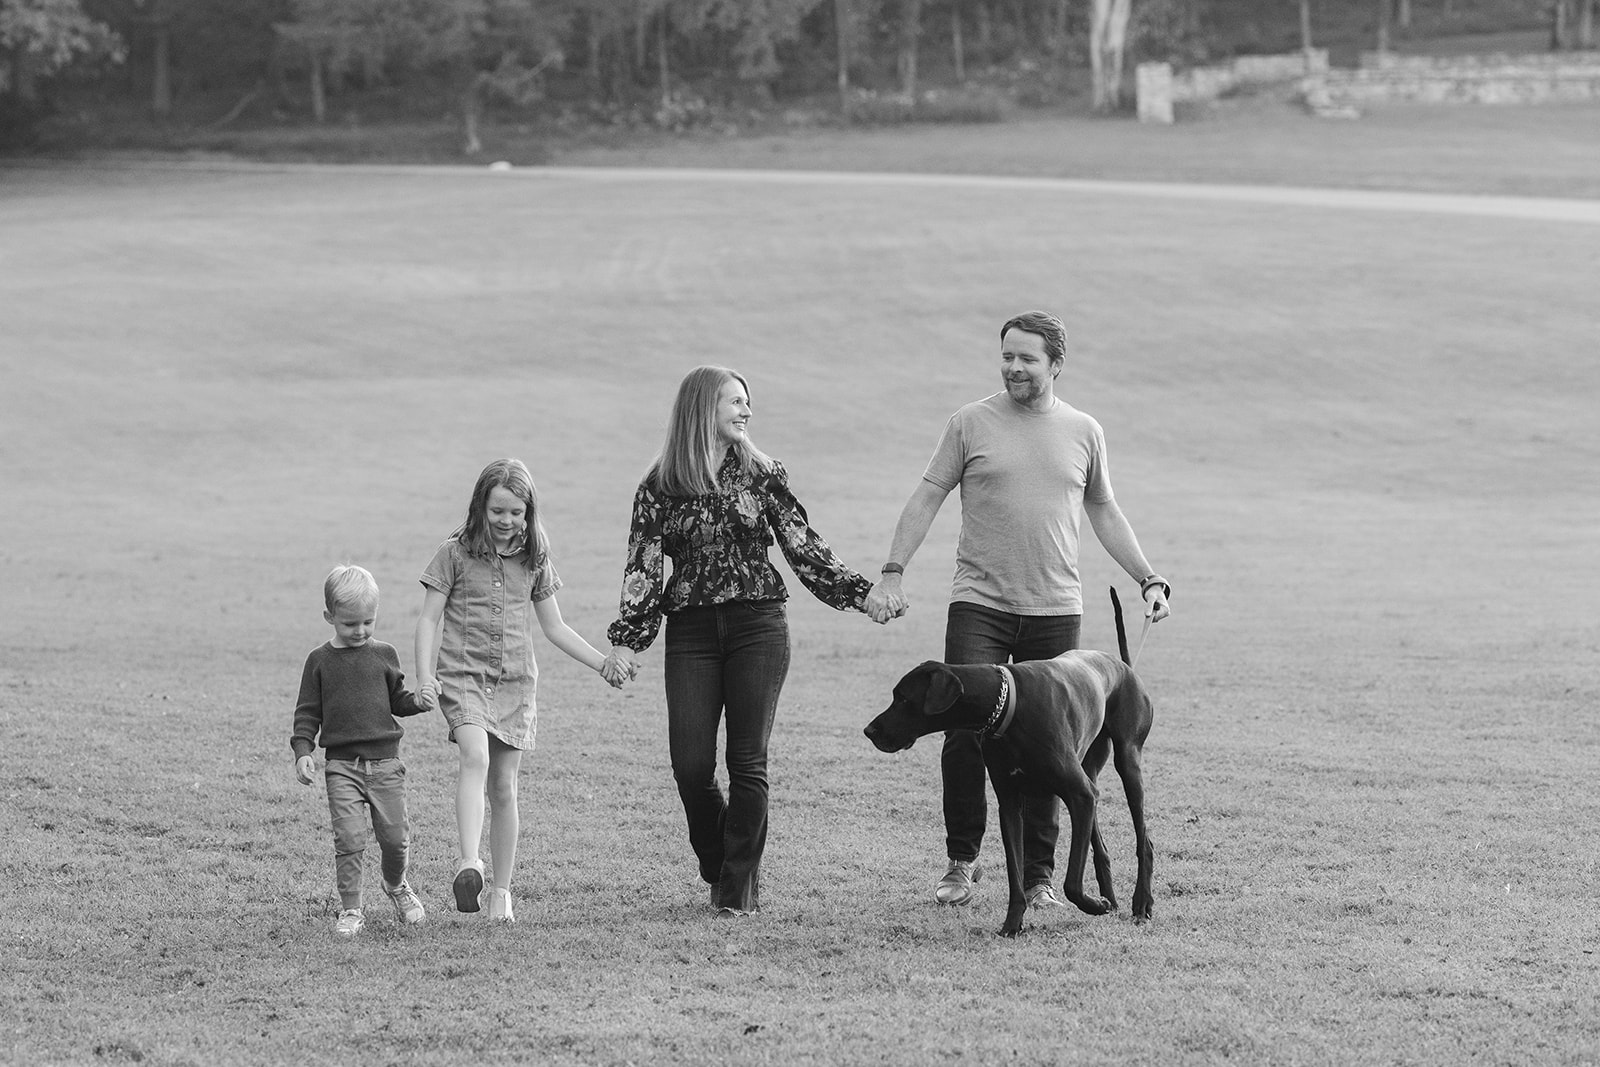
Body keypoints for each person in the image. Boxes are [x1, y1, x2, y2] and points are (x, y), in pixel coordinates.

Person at [864, 311, 1171, 910]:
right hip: (979, 604)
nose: (1013, 367)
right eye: (1007, 355)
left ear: (1056, 364)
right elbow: (928, 494)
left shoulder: (1085, 430)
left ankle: (1038, 877)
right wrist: (893, 569)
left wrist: (1148, 578)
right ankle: (962, 861)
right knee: (959, 731)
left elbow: (1104, 509)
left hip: (1055, 608)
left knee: (1055, 749)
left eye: (1027, 357)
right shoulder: (970, 423)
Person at [607, 366, 883, 917]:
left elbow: (803, 544)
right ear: (701, 408)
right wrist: (628, 641)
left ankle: (735, 891)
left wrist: (861, 593)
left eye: (747, 402)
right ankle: (720, 863)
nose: (745, 411)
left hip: (759, 626)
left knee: (747, 761)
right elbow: (641, 568)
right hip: (691, 634)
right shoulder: (660, 484)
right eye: (734, 401)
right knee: (690, 765)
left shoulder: (763, 473)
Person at [415, 458, 631, 924]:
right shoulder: (454, 553)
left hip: (515, 683)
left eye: (516, 512)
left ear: (529, 513)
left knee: (505, 788)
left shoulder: (534, 558)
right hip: (464, 677)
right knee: (474, 755)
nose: (507, 521)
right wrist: (424, 677)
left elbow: (555, 627)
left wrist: (602, 664)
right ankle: (469, 862)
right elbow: (429, 618)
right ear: (480, 507)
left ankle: (500, 894)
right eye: (498, 511)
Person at [291, 564, 430, 939]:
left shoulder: (384, 654)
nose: (360, 631)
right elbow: (307, 713)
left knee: (395, 837)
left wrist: (417, 700)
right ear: (329, 617)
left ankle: (397, 886)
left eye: (368, 622)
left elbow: (397, 701)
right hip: (342, 767)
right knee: (349, 838)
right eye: (350, 624)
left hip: (386, 765)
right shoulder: (319, 661)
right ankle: (351, 909)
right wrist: (304, 750)